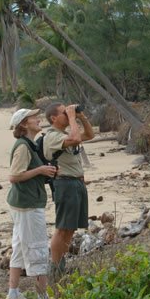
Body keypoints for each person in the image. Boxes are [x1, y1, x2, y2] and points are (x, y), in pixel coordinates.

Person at [5, 108, 57, 299]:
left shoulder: (29, 145)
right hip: (27, 205)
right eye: (34, 117)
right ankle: (42, 298)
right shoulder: (23, 147)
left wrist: (42, 172)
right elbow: (14, 176)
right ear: (24, 124)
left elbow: (22, 174)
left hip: (22, 203)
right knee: (36, 247)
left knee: (19, 246)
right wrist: (41, 170)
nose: (38, 119)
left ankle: (13, 293)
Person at [43, 102, 94, 279]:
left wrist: (81, 117)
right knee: (62, 227)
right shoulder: (51, 137)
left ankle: (61, 265)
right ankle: (55, 268)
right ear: (53, 118)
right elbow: (76, 139)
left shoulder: (65, 134)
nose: (67, 114)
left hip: (76, 183)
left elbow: (89, 134)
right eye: (63, 112)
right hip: (64, 184)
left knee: (71, 228)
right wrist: (72, 118)